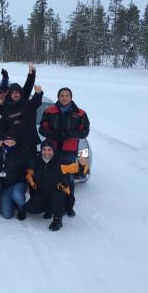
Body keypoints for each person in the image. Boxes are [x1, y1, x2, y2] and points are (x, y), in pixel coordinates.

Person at [39, 87, 90, 217]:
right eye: (62, 95)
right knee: (51, 180)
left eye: (67, 95)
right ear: (58, 97)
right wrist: (53, 134)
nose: (64, 97)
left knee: (69, 180)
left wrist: (70, 134)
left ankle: (69, 206)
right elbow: (42, 129)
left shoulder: (80, 113)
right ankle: (50, 206)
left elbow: (85, 132)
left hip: (69, 152)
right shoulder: (49, 111)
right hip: (52, 152)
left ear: (71, 97)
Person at [25, 140, 88, 231]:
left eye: (49, 149)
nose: (46, 152)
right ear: (41, 151)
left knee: (57, 197)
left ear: (53, 150)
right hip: (43, 192)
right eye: (44, 149)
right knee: (30, 208)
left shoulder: (61, 162)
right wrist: (29, 177)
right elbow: (30, 172)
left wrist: (82, 164)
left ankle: (58, 219)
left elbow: (78, 170)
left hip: (57, 192)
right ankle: (49, 208)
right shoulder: (37, 161)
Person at [0, 135, 29, 220]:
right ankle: (12, 203)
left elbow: (27, 168)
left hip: (18, 183)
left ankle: (22, 208)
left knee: (17, 195)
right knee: (7, 215)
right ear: (3, 142)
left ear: (16, 143)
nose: (10, 144)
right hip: (5, 186)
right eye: (7, 142)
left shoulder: (21, 153)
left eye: (12, 142)